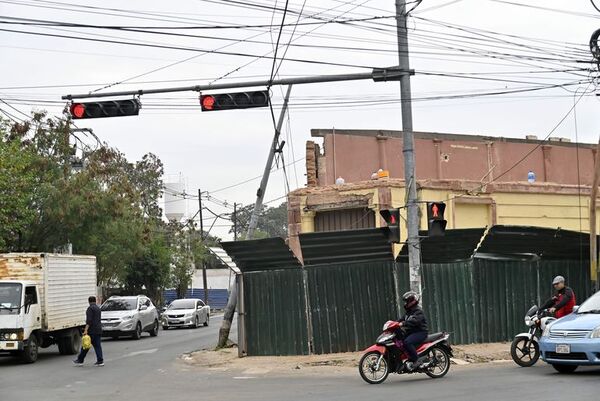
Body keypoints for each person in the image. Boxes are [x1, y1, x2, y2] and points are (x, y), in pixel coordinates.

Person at [397, 291, 428, 371]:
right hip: (412, 332)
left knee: (407, 342)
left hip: (420, 332)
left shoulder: (418, 311)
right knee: (400, 340)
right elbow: (401, 319)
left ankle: (416, 360)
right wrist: (394, 323)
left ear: (412, 301)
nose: (406, 303)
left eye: (407, 301)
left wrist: (403, 323)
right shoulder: (409, 312)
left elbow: (414, 321)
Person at [73, 296, 103, 367]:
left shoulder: (90, 309)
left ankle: (80, 360)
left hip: (92, 331)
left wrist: (86, 330)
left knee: (85, 345)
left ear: (89, 301)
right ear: (95, 301)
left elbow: (89, 321)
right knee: (97, 346)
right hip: (98, 330)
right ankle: (100, 361)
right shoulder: (98, 308)